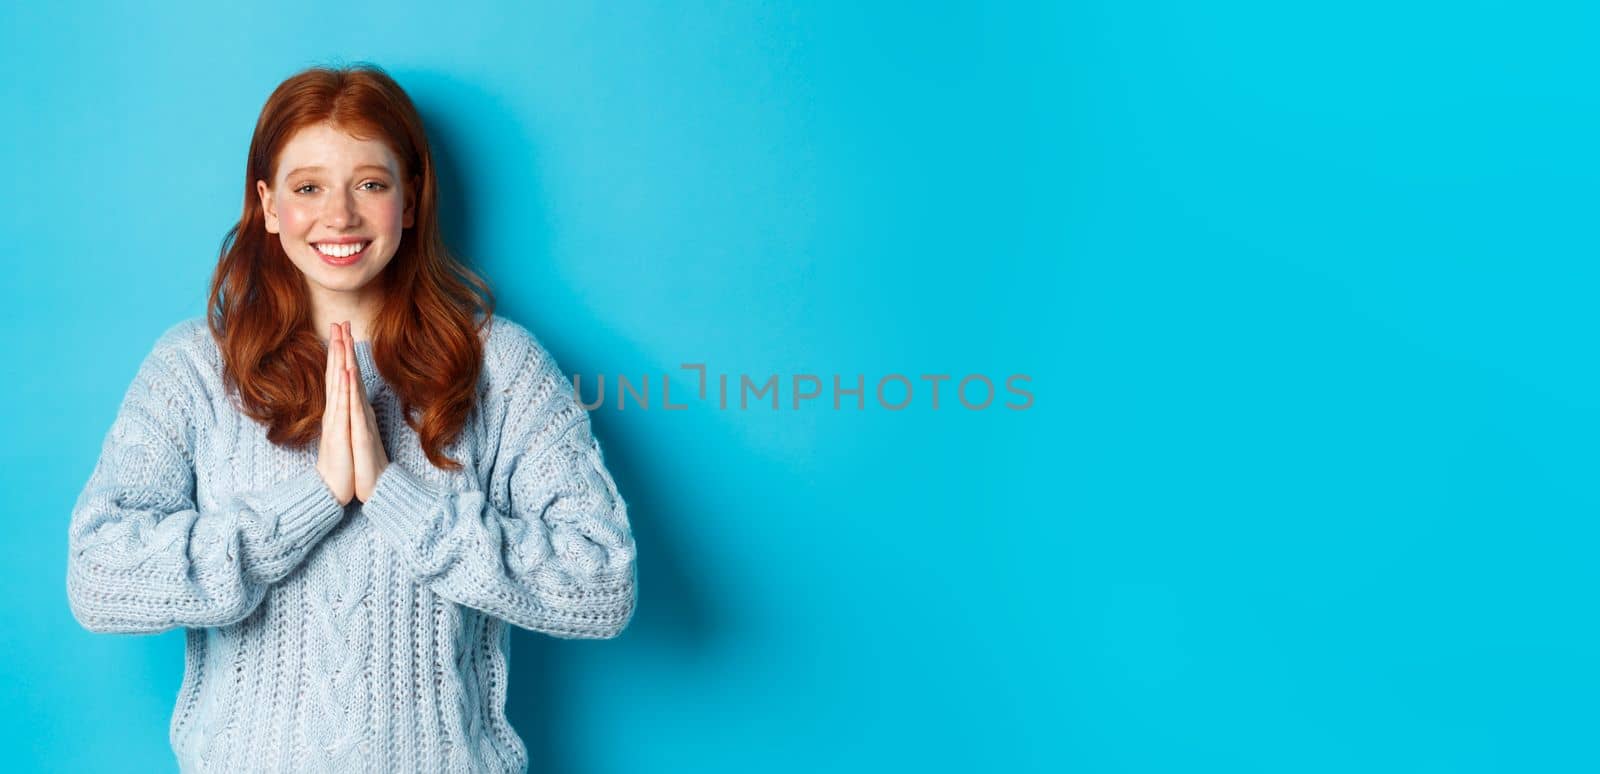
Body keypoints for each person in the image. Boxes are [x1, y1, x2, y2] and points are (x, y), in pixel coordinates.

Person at [65, 63, 636, 774]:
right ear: (269, 205)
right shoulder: (192, 368)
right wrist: (314, 499)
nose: (339, 216)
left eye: (370, 183)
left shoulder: (500, 366)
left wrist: (395, 497)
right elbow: (97, 577)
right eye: (308, 188)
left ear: (411, 199)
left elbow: (602, 584)